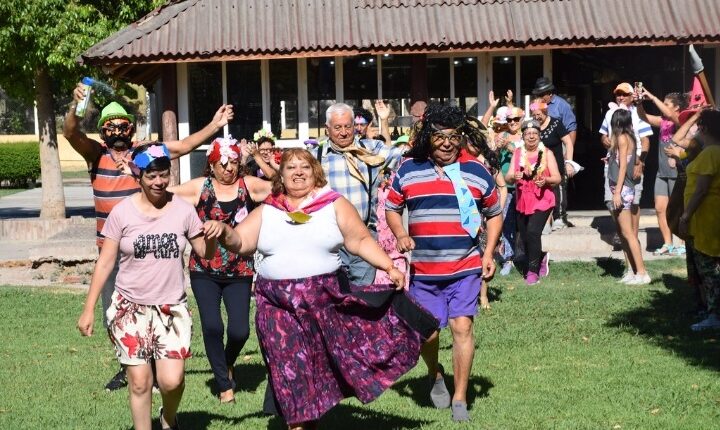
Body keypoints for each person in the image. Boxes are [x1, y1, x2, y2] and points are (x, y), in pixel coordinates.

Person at [205, 148, 438, 429]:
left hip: (326, 305)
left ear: (315, 172)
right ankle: (299, 424)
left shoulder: (333, 204)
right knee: (292, 372)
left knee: (320, 369)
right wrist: (224, 231)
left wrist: (389, 266)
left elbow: (360, 240)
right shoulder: (268, 209)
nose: (298, 172)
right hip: (277, 309)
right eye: (291, 168)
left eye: (305, 167)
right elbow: (241, 242)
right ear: (281, 175)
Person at [63, 84, 234, 391]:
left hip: (148, 246)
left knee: (155, 306)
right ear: (102, 131)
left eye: (123, 126)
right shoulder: (96, 154)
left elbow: (182, 146)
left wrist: (214, 125)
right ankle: (130, 365)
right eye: (110, 127)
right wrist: (76, 106)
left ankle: (155, 367)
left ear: (131, 129)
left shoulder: (145, 156)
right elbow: (70, 132)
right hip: (111, 248)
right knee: (113, 312)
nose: (117, 132)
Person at [77, 143, 218, 430]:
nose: (159, 182)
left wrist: (214, 236)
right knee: (140, 382)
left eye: (164, 175)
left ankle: (168, 419)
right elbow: (105, 263)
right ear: (139, 176)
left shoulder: (183, 210)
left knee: (172, 381)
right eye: (151, 176)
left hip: (171, 307)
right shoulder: (122, 213)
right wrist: (88, 308)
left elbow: (205, 252)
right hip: (130, 307)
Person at [385, 104, 503, 422]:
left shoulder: (476, 171)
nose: (447, 144)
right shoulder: (409, 169)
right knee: (428, 334)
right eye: (440, 137)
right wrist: (400, 234)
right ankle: (435, 373)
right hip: (424, 270)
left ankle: (460, 398)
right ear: (428, 137)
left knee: (462, 327)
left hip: (465, 266)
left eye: (453, 136)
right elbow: (392, 207)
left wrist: (489, 253)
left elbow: (494, 213)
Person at [168, 136, 271, 403]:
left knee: (240, 331)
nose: (229, 169)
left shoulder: (248, 185)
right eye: (223, 164)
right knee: (213, 326)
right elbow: (163, 194)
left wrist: (260, 159)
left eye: (233, 163)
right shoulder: (199, 187)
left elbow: (281, 187)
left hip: (240, 269)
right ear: (212, 165)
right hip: (204, 268)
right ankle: (225, 386)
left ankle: (225, 362)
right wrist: (135, 174)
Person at [311, 102, 405, 285]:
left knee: (363, 295)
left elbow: (403, 156)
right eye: (337, 127)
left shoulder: (370, 149)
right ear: (327, 129)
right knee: (333, 293)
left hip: (364, 236)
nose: (344, 132)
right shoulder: (315, 156)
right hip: (329, 238)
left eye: (348, 126)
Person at [504, 120, 561, 285]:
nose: (531, 136)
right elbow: (507, 177)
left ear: (539, 136)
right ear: (523, 136)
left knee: (533, 232)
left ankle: (532, 271)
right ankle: (541, 256)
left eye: (535, 133)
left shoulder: (547, 153)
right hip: (523, 200)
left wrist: (546, 180)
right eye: (528, 133)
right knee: (525, 236)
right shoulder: (518, 153)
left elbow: (557, 178)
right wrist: (514, 176)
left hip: (543, 199)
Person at [679, 109, 720, 331]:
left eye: (699, 126)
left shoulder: (711, 152)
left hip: (707, 218)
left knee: (710, 269)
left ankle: (714, 315)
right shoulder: (710, 151)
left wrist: (686, 216)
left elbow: (701, 190)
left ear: (704, 128)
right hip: (707, 217)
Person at [599, 83, 653, 249]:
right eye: (618, 94)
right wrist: (605, 140)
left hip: (632, 163)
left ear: (631, 97)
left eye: (624, 94)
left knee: (633, 203)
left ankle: (632, 238)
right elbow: (603, 135)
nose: (621, 97)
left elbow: (645, 140)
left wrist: (641, 162)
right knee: (611, 201)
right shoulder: (610, 113)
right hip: (612, 163)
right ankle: (623, 233)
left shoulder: (638, 114)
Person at [637, 88, 687, 256]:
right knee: (660, 208)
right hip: (662, 172)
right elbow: (643, 117)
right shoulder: (663, 121)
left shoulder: (680, 120)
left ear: (677, 107)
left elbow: (671, 115)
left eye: (667, 104)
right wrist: (639, 103)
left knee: (678, 209)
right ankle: (668, 243)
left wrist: (652, 97)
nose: (663, 106)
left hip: (676, 171)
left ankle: (683, 243)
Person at [606, 109, 650, 285]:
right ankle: (633, 271)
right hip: (620, 186)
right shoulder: (628, 137)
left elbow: (624, 166)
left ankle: (642, 273)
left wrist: (617, 192)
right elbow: (621, 162)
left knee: (628, 233)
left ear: (616, 122)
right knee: (622, 232)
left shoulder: (622, 138)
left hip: (623, 188)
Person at [532, 77, 578, 228]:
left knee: (560, 182)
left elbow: (571, 129)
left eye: (542, 94)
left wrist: (568, 156)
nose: (539, 96)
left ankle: (560, 215)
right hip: (542, 149)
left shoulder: (562, 105)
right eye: (538, 94)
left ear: (550, 93)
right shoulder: (536, 105)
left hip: (560, 144)